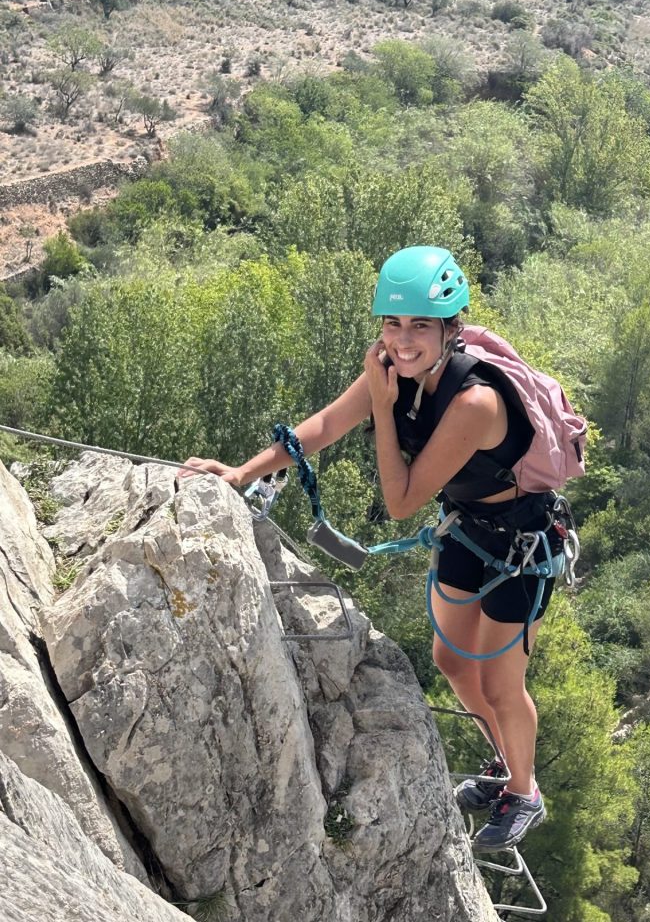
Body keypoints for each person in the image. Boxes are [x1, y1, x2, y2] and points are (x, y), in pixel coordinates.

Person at [180, 245, 563, 852]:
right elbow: (327, 426)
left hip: (522, 544)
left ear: (449, 328)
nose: (403, 340)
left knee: (498, 684)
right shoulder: (391, 368)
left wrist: (384, 410)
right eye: (393, 323)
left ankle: (524, 791)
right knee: (453, 663)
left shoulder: (474, 403)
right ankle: (504, 761)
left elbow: (403, 500)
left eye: (419, 326)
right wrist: (242, 473)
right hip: (470, 528)